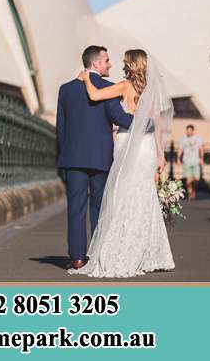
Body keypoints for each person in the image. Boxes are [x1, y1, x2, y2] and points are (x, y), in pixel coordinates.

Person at [68, 49, 175, 278]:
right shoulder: (151, 89)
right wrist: (160, 154)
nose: (121, 64)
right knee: (144, 194)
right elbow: (154, 124)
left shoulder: (125, 86)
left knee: (122, 195)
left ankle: (123, 249)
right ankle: (147, 252)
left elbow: (95, 96)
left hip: (128, 143)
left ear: (131, 65)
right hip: (146, 146)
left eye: (125, 61)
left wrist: (87, 78)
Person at [56, 46, 134, 270]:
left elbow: (61, 127)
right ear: (95, 64)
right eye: (107, 60)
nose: (110, 64)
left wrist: (65, 154)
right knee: (99, 207)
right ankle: (98, 254)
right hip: (100, 157)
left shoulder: (66, 89)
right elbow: (118, 117)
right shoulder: (108, 88)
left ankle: (78, 257)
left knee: (75, 208)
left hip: (73, 158)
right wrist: (146, 122)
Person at [177, 124, 204, 201]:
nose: (188, 132)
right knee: (188, 180)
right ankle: (190, 193)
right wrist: (178, 159)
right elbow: (180, 149)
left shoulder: (198, 139)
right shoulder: (183, 139)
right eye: (187, 131)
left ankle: (193, 190)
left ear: (193, 131)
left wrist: (202, 159)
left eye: (190, 131)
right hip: (187, 161)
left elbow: (201, 149)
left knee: (197, 178)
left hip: (196, 161)